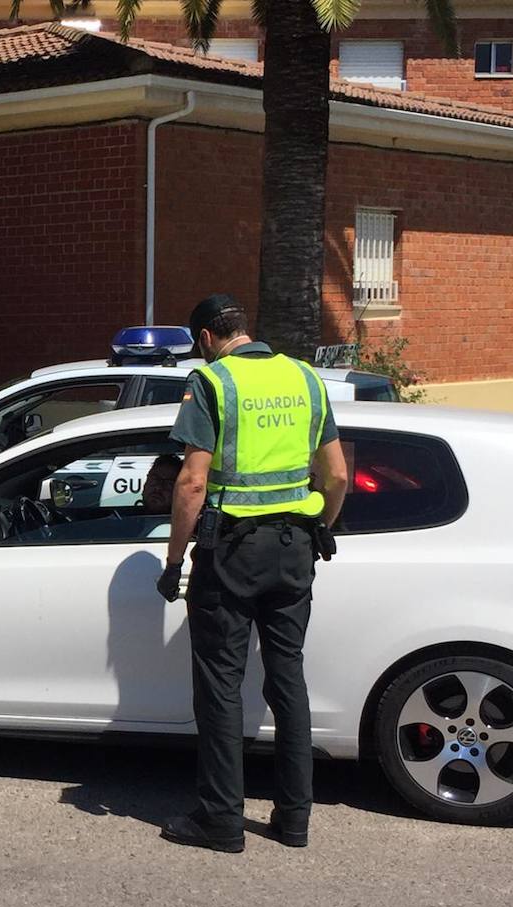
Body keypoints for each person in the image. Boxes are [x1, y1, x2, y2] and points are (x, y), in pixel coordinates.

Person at [155, 295, 348, 852]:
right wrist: (322, 527)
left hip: (232, 553)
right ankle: (294, 821)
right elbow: (334, 474)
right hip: (294, 550)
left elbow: (191, 483)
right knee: (288, 680)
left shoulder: (212, 382)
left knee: (221, 687)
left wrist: (173, 562)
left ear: (205, 338)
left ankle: (221, 820)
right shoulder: (306, 379)